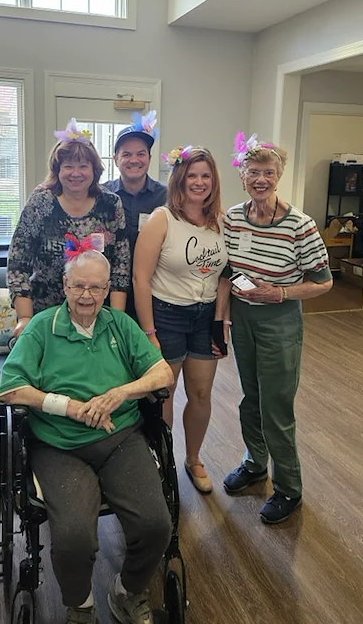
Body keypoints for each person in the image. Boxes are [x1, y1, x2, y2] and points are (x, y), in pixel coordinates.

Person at [0, 248, 174, 624]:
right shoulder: (42, 327)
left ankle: (127, 591)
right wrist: (71, 407)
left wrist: (120, 393)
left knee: (156, 524)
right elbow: (9, 390)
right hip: (59, 445)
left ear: (108, 288)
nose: (87, 295)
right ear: (65, 285)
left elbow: (163, 375)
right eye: (79, 286)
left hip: (121, 437)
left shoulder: (121, 325)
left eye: (96, 287)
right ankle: (80, 605)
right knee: (75, 538)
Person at [218, 133, 332, 524]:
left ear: (279, 175)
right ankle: (254, 464)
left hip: (280, 321)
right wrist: (228, 313)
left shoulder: (300, 225)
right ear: (243, 176)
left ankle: (289, 488)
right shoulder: (233, 218)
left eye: (268, 171)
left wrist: (281, 292)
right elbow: (228, 270)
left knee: (276, 406)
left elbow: (324, 282)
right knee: (250, 399)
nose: (261, 179)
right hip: (244, 317)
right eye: (254, 172)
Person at [133, 146, 228, 494]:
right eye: (192, 175)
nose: (199, 182)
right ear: (180, 179)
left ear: (213, 181)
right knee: (165, 394)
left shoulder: (221, 222)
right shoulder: (163, 218)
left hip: (205, 318)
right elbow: (140, 279)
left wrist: (222, 320)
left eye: (205, 176)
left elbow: (224, 276)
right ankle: (164, 463)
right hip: (167, 315)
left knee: (201, 392)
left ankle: (193, 458)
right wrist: (150, 332)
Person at [7, 119, 130, 337]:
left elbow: (120, 266)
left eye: (83, 166)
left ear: (94, 170)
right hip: (46, 314)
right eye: (68, 166)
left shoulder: (110, 204)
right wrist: (25, 318)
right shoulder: (41, 202)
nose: (76, 173)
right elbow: (18, 263)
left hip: (96, 313)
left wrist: (116, 319)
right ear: (57, 170)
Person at [104, 111, 167, 320]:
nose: (134, 160)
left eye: (141, 154)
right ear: (116, 159)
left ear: (149, 158)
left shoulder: (167, 197)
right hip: (108, 293)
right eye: (126, 154)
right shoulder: (102, 196)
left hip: (155, 294)